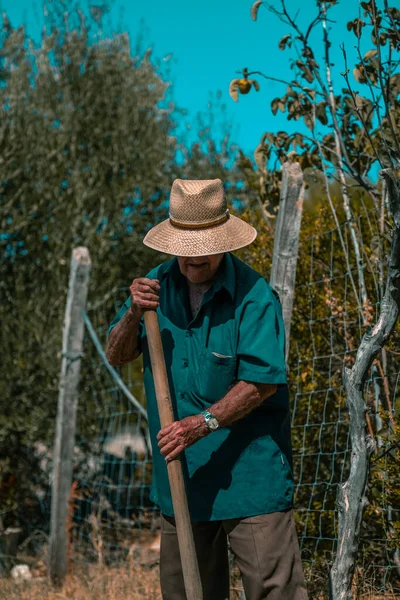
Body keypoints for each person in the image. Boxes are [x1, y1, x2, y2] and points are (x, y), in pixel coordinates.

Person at [106, 178, 308, 600]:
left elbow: (261, 383)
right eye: (184, 250)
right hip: (182, 477)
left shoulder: (254, 297)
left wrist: (200, 424)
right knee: (185, 593)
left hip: (250, 479)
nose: (191, 260)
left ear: (223, 241)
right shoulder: (154, 289)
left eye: (202, 250)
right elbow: (117, 354)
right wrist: (131, 314)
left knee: (275, 592)